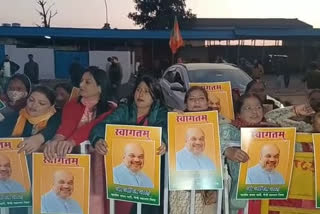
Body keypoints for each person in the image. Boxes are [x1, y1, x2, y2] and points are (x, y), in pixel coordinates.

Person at [91, 75, 167, 214]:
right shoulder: (125, 110)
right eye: (138, 90)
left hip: (152, 173)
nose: (141, 94)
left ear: (155, 96)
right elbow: (102, 126)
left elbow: (166, 129)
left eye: (146, 91)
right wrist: (98, 139)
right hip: (124, 181)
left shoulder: (161, 112)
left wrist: (164, 142)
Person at [44, 66, 116, 214]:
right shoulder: (72, 105)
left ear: (100, 87)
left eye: (88, 82)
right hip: (74, 158)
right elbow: (66, 126)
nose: (81, 85)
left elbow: (94, 126)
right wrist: (56, 140)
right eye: (81, 81)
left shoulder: (111, 109)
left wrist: (71, 141)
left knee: (95, 196)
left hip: (98, 162)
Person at [220, 94, 275, 214]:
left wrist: (296, 111)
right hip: (239, 199)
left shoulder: (273, 130)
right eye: (248, 108)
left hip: (270, 196)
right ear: (238, 114)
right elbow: (211, 144)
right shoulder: (229, 129)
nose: (254, 111)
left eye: (258, 107)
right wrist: (227, 151)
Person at [170, 86, 220, 214]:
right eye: (192, 99)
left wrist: (215, 189)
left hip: (208, 192)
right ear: (185, 103)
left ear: (207, 102)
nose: (197, 102)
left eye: (201, 99)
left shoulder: (219, 123)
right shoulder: (176, 120)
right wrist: (172, 118)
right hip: (181, 191)